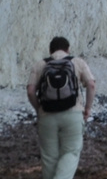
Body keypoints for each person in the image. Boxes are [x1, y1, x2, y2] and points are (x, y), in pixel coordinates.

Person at [26, 35, 94, 179]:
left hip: (47, 115)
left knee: (49, 157)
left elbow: (31, 91)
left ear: (50, 50)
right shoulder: (77, 62)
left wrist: (38, 109)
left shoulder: (40, 64)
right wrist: (88, 108)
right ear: (68, 49)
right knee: (71, 152)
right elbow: (91, 84)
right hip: (73, 114)